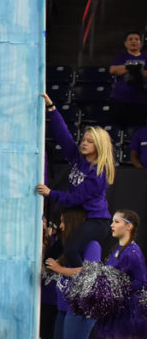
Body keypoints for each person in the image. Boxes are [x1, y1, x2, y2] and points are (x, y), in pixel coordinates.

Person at [37, 93, 114, 269]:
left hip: (96, 221)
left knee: (71, 249)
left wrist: (50, 193)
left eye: (90, 142)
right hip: (80, 218)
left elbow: (76, 199)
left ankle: (82, 288)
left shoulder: (99, 174)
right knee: (51, 255)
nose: (84, 143)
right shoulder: (79, 159)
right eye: (84, 140)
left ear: (99, 147)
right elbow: (63, 136)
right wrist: (52, 108)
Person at [91, 210, 147, 339]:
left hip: (127, 311)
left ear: (129, 226)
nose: (112, 225)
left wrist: (117, 291)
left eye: (116, 222)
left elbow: (141, 282)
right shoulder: (117, 251)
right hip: (113, 311)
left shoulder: (133, 251)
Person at [43, 209, 100, 339]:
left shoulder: (91, 245)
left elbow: (87, 272)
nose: (62, 226)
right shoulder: (67, 245)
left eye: (64, 221)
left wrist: (59, 269)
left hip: (80, 306)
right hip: (63, 305)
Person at [108, 31, 147, 130]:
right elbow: (113, 70)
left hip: (140, 100)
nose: (134, 41)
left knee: (136, 129)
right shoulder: (121, 57)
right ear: (125, 43)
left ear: (141, 43)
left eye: (136, 39)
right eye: (130, 39)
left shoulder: (145, 57)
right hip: (119, 99)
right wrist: (131, 67)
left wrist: (139, 71)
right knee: (116, 128)